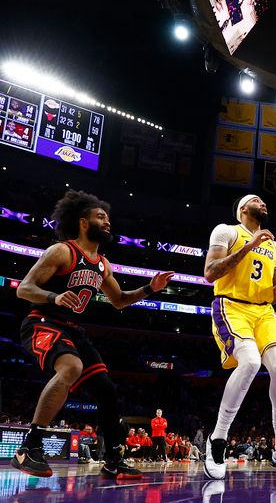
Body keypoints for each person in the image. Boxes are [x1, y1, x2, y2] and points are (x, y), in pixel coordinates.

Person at [11, 190, 172, 479]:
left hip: (73, 330)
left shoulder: (103, 263)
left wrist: (150, 289)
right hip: (42, 320)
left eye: (108, 217)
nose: (107, 222)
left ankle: (113, 458)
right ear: (83, 222)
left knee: (106, 390)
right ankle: (29, 447)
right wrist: (54, 297)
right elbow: (24, 288)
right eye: (101, 217)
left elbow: (119, 299)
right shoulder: (62, 251)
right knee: (72, 366)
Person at [203, 194, 276, 478]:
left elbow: (274, 298)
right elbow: (210, 273)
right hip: (231, 305)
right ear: (243, 209)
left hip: (263, 312)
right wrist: (249, 246)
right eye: (258, 200)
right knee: (249, 362)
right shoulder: (227, 231)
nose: (265, 204)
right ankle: (218, 440)